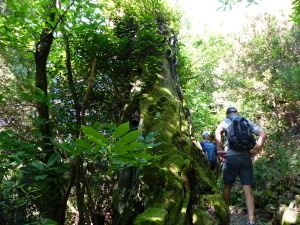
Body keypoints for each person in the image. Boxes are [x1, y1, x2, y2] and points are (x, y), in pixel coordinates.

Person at [215, 107, 267, 225]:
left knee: (227, 186)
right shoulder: (246, 121)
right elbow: (263, 134)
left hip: (231, 158)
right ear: (237, 113)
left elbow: (217, 132)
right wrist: (256, 150)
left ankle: (226, 217)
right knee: (248, 189)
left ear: (227, 114)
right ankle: (251, 221)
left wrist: (219, 149)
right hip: (245, 158)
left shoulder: (226, 121)